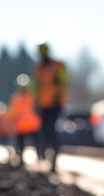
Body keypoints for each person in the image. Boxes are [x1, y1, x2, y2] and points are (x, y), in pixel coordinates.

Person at [34, 42, 68, 172]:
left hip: (55, 104)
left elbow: (63, 83)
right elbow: (36, 87)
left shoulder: (57, 65)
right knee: (44, 131)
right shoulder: (38, 67)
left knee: (50, 129)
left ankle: (54, 159)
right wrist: (36, 103)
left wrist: (59, 98)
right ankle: (46, 155)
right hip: (43, 105)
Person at [7, 74, 41, 167]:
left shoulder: (16, 97)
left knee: (21, 144)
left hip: (22, 125)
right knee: (36, 143)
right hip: (32, 124)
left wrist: (10, 120)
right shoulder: (32, 95)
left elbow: (12, 112)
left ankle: (21, 161)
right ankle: (40, 158)